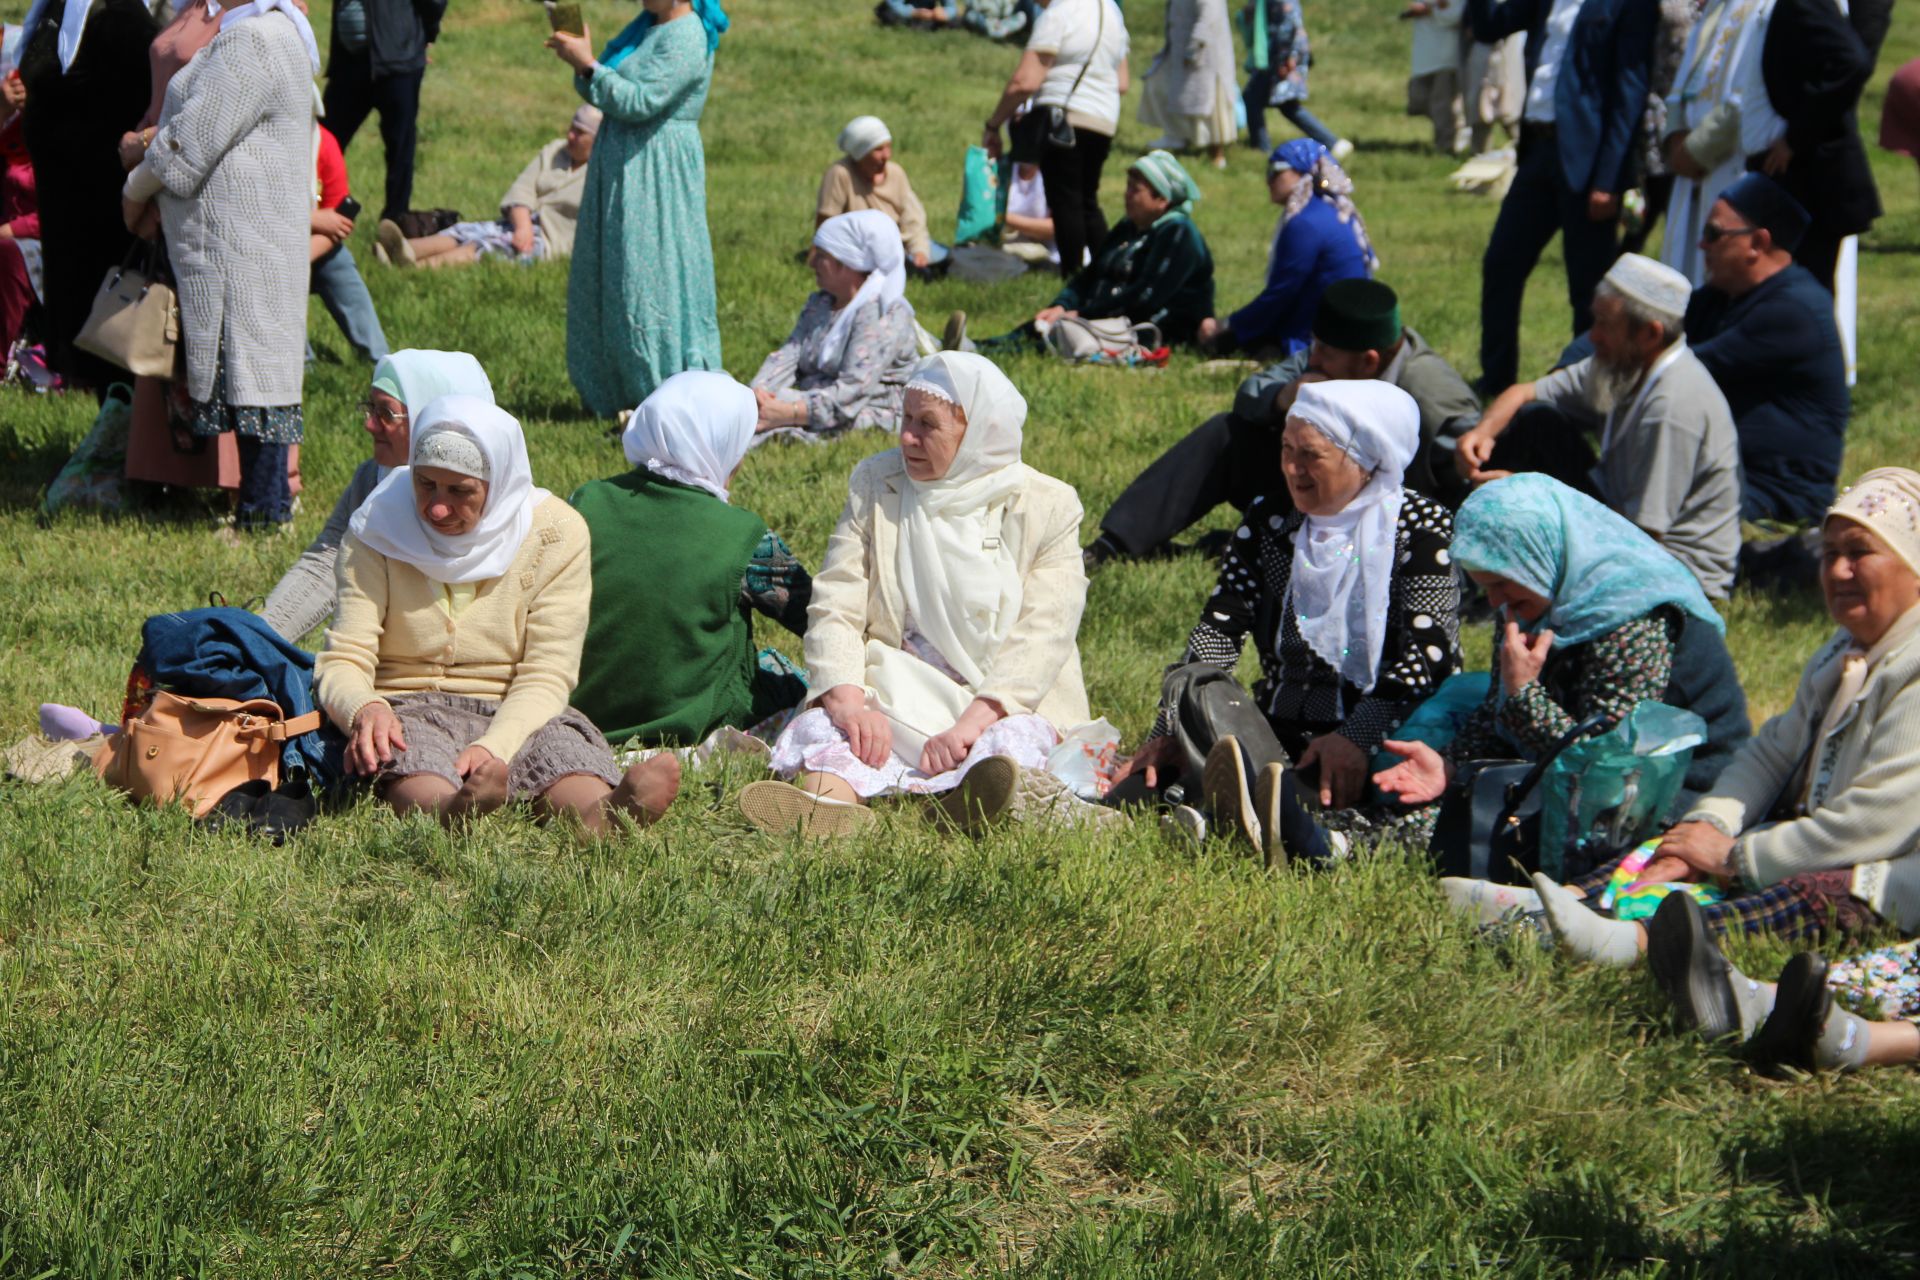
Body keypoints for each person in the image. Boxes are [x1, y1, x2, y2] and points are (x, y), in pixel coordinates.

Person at [1519, 470, 1920, 1002]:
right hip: (1813, 834)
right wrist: (1707, 829)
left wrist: (1735, 857)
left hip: (1891, 871)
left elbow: (1877, 823)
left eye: (1860, 552)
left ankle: (1632, 941)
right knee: (1679, 839)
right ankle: (1565, 903)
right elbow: (1771, 754)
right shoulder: (1842, 650)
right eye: (1828, 554)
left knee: (1808, 892)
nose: (1840, 570)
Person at [736, 353, 1104, 838]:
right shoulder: (876, 482)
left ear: (976, 433)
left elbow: (1044, 635)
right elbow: (835, 603)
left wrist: (971, 724)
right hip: (896, 685)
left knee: (1013, 745)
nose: (907, 438)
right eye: (904, 419)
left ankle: (973, 802)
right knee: (829, 726)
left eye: (927, 425)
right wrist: (849, 702)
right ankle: (825, 807)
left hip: (998, 699)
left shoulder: (1048, 506)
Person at [1110, 381, 1461, 863]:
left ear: (1365, 459)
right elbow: (1218, 629)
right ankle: (1232, 800)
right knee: (1175, 734)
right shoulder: (1272, 518)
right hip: (1276, 730)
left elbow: (1428, 658)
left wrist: (1356, 739)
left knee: (1357, 808)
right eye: (1286, 449)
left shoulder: (1422, 528)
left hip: (1379, 734)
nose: (1292, 469)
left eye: (1311, 455)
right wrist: (1170, 730)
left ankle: (1241, 814)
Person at [315, 396, 684, 833]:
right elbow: (345, 657)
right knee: (407, 756)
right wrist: (366, 709)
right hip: (406, 703)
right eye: (425, 484)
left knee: (559, 751)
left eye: (460, 491)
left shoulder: (556, 534)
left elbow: (547, 673)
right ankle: (445, 810)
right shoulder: (378, 527)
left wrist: (496, 746)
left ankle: (601, 815)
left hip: (517, 706)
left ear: (501, 482)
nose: (436, 507)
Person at [1357, 474, 1750, 862]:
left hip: (1673, 791)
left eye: (1501, 583)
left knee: (1477, 828)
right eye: (1485, 587)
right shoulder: (1536, 595)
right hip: (1569, 772)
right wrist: (1451, 765)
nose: (1495, 601)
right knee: (1436, 806)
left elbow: (1607, 774)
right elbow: (1498, 707)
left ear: (1537, 557)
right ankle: (1344, 838)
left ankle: (1348, 847)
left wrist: (1524, 695)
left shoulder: (1630, 618)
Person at [1087, 279, 1481, 567]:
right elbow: (1251, 392)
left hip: (1389, 528)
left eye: (1325, 351)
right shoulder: (1322, 363)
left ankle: (1270, 546)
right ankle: (1116, 543)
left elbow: (1472, 477)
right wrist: (1284, 397)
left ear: (1369, 362)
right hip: (1319, 499)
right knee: (1229, 434)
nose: (1314, 360)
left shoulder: (1430, 393)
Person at [121, 0, 319, 536]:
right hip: (249, 242)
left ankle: (262, 514)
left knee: (253, 382)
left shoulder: (250, 41)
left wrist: (133, 189)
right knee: (257, 379)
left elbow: (189, 145)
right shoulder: (275, 33)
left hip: (240, 247)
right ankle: (265, 510)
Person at [1455, 253, 1742, 600]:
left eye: (1605, 325)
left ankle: (1495, 581)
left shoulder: (1671, 408)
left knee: (1528, 501)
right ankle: (1478, 560)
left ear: (1649, 334)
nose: (1592, 336)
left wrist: (1532, 501)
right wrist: (1481, 434)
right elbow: (1525, 393)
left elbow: (1643, 537)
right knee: (1536, 419)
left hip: (1672, 569)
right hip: (1621, 518)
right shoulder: (1625, 362)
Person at [570, 371, 813, 748]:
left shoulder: (586, 502)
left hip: (586, 710)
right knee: (790, 676)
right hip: (694, 717)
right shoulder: (743, 536)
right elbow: (817, 618)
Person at [1467, 0, 1658, 394]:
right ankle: (1496, 377)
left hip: (1588, 165)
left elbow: (1630, 89)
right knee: (1502, 263)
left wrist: (1610, 178)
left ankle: (1590, 388)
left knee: (1587, 288)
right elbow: (1490, 26)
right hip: (1537, 150)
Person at [547, 0, 726, 417]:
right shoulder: (649, 27)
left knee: (649, 274)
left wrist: (589, 65)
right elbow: (615, 95)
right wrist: (584, 64)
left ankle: (663, 390)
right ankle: (619, 389)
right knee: (617, 270)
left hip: (655, 166)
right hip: (627, 162)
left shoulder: (687, 34)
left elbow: (640, 101)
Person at [261, 350, 494, 643]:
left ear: (434, 415)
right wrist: (253, 638)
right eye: (370, 409)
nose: (369, 425)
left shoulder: (502, 500)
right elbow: (328, 563)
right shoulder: (372, 480)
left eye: (386, 414)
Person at [1686, 173, 1847, 524]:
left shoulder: (1793, 311)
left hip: (1775, 497)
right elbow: (1639, 327)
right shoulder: (1717, 297)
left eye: (1713, 234)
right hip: (1723, 478)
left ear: (1757, 243)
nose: (1702, 245)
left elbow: (1680, 372)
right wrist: (1559, 379)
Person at [19, 0, 157, 393]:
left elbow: (143, 100)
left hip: (105, 210)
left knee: (113, 333)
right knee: (80, 327)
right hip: (66, 206)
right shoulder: (62, 7)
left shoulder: (121, 17)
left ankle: (122, 433)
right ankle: (110, 429)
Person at [958, 150, 1215, 350]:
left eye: (1135, 190)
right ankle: (974, 347)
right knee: (1043, 326)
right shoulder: (1129, 227)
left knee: (1060, 337)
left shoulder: (1178, 233)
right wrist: (1061, 305)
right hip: (1105, 317)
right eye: (1127, 187)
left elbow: (1144, 298)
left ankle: (973, 350)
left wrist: (1082, 315)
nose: (1127, 195)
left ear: (1162, 200)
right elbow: (1089, 275)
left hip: (1151, 330)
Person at [983, 0, 1130, 283]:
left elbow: (1025, 81)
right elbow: (1121, 82)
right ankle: (1107, 277)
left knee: (1066, 203)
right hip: (1102, 119)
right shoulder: (1112, 12)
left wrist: (993, 124)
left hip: (1063, 119)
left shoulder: (1060, 13)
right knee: (1087, 201)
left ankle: (1073, 280)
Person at [1195, 139, 1376, 358]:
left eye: (1275, 170)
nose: (1268, 180)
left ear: (1301, 173)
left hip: (1320, 336)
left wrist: (1228, 325)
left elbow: (1282, 292)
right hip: (1346, 325)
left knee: (1217, 344)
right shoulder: (1330, 210)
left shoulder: (1306, 222)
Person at [751, 209, 919, 439]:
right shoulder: (821, 303)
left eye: (821, 256)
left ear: (847, 263)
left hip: (865, 409)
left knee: (773, 430)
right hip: (814, 396)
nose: (812, 263)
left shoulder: (883, 315)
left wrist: (789, 412)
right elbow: (790, 354)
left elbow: (853, 390)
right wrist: (759, 392)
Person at [1755, 0, 1878, 294]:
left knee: (1804, 292)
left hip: (1814, 174)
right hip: (1801, 172)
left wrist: (1795, 137)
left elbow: (1852, 62)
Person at [378, 106, 602, 268]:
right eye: (571, 128)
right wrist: (522, 225)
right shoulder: (555, 150)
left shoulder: (600, 175)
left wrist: (526, 235)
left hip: (546, 240)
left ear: (597, 139)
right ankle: (399, 250)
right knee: (463, 231)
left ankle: (415, 269)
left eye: (579, 132)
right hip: (517, 223)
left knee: (483, 246)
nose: (570, 136)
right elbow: (522, 189)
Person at [1656, 0, 1781, 287]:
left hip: (1729, 160)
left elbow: (1750, 92)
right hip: (1689, 160)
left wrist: (1697, 149)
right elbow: (1690, 64)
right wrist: (1675, 132)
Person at [323, 0, 442, 222]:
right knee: (321, 142)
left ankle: (395, 222)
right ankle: (313, 212)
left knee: (400, 148)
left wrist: (424, 35)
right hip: (348, 64)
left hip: (397, 60)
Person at [814, 116, 942, 274]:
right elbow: (826, 224)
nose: (886, 155)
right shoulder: (840, 174)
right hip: (857, 253)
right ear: (860, 153)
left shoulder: (896, 173)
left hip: (898, 247)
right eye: (878, 149)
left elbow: (913, 220)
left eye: (888, 147)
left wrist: (919, 251)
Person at [309, 121, 390, 363]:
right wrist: (311, 218)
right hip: (269, 251)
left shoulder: (324, 142)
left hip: (314, 246)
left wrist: (301, 257)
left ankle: (381, 361)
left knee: (339, 263)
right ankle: (300, 365)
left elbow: (338, 224)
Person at [1240, 0, 1353, 158]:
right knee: (1284, 105)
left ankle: (1260, 148)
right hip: (1275, 54)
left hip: (1282, 57)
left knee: (1255, 99)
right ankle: (1332, 142)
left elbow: (1289, 23)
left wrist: (1287, 58)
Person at [1139, 0, 1240, 169]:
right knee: (1176, 94)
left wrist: (1195, 45)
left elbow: (1209, 13)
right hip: (1183, 48)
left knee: (1211, 107)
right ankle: (1177, 137)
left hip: (1206, 56)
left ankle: (1217, 154)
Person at [1403, 0, 1465, 153]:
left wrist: (1431, 10)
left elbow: (1458, 16)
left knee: (1441, 106)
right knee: (1418, 101)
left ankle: (1445, 146)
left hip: (1447, 57)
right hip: (1423, 57)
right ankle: (1458, 125)